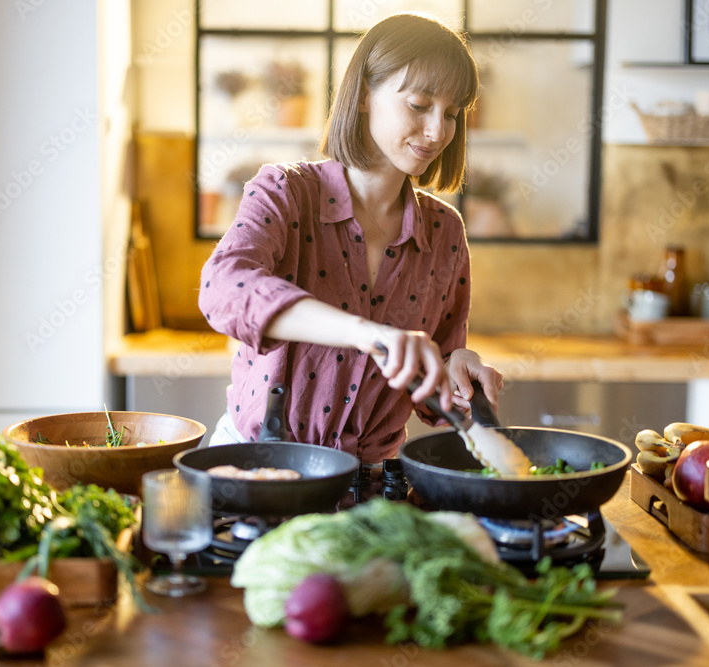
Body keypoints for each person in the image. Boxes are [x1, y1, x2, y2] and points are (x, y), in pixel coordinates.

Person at [198, 13, 503, 463]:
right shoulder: (285, 192)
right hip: (259, 471)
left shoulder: (445, 232)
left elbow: (430, 394)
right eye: (419, 105)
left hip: (370, 487)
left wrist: (456, 366)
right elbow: (223, 287)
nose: (438, 131)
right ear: (363, 96)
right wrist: (366, 333)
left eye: (452, 114)